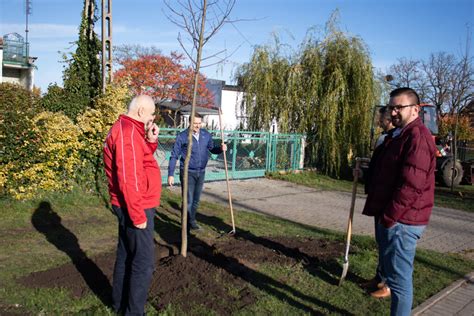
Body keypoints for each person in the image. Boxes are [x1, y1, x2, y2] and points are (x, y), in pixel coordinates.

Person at [362, 87, 437, 316]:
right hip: (395, 218)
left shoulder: (418, 138)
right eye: (391, 107)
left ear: (415, 109)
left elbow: (411, 185)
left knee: (400, 283)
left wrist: (390, 218)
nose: (393, 112)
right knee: (395, 278)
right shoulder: (400, 135)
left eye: (399, 107)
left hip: (403, 222)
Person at [103, 95, 161, 315]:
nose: (153, 117)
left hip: (132, 202)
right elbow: (129, 178)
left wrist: (150, 140)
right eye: (152, 113)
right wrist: (137, 215)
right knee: (144, 263)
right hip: (136, 205)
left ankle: (120, 305)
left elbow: (142, 160)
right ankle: (134, 312)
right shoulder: (127, 133)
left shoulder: (131, 130)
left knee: (127, 255)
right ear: (140, 111)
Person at [167, 113, 226, 230]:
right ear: (190, 122)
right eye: (195, 123)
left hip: (201, 172)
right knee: (188, 201)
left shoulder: (206, 135)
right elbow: (174, 156)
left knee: (195, 201)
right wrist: (170, 174)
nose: (198, 126)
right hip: (187, 172)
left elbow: (211, 148)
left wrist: (220, 149)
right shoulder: (183, 136)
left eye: (199, 123)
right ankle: (185, 227)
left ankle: (192, 222)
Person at [362, 106, 396, 298]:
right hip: (378, 196)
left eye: (380, 119)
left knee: (389, 244)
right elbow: (378, 168)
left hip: (388, 199)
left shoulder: (394, 140)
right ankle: (379, 277)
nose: (378, 122)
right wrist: (364, 173)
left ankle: (389, 284)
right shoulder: (384, 138)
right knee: (381, 241)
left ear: (388, 119)